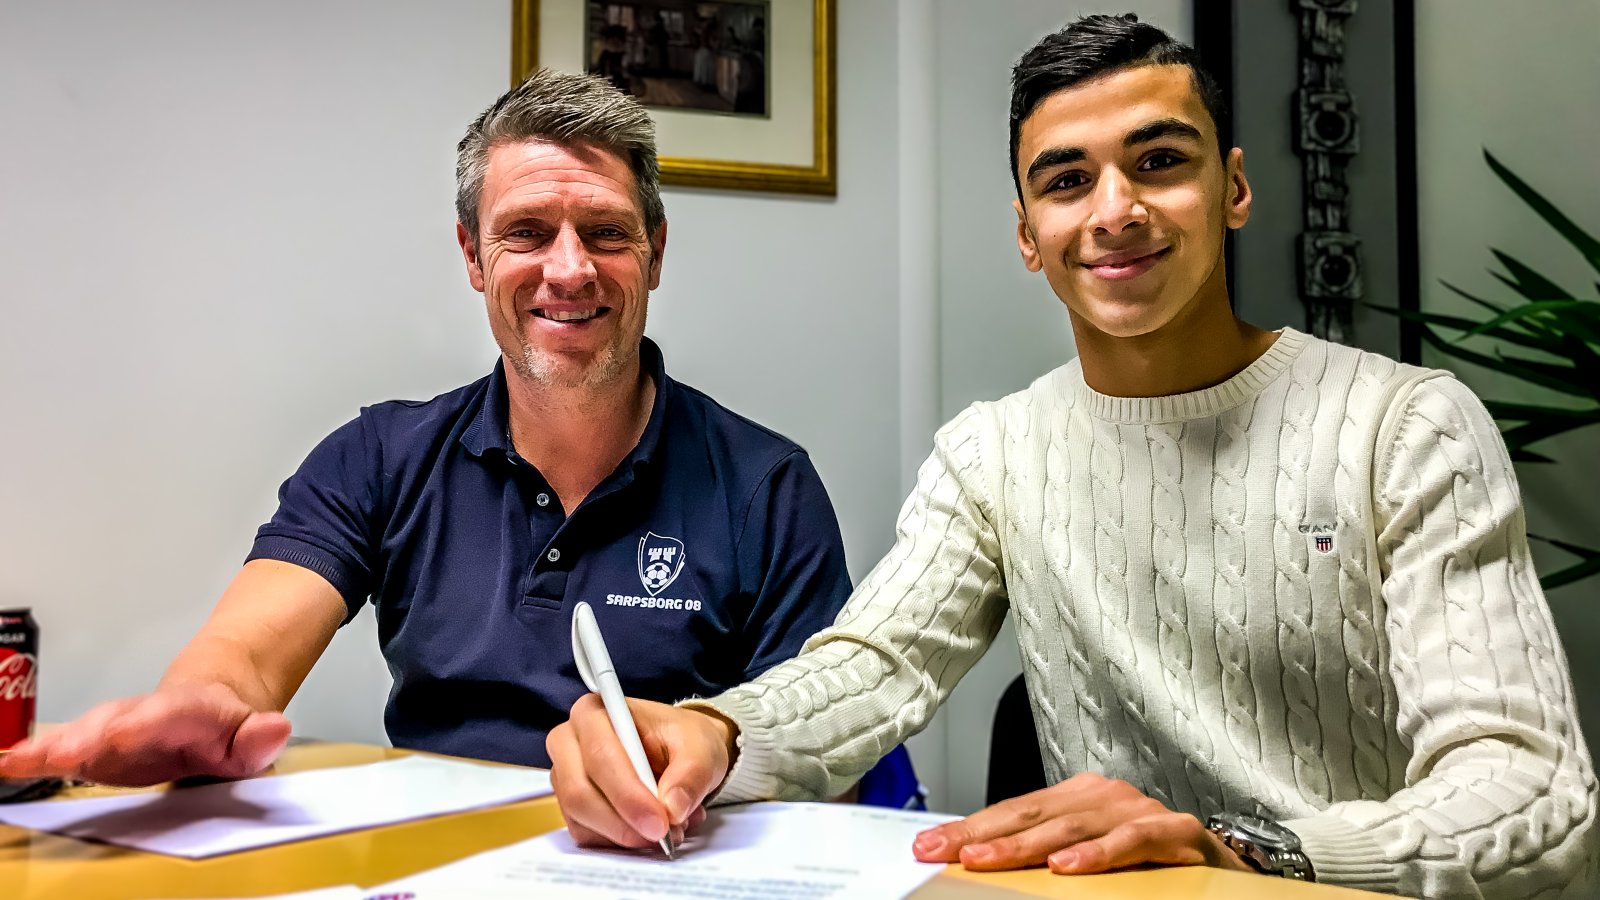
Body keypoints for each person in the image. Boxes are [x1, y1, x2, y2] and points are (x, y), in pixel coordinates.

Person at [547, 15, 1597, 897]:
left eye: (1160, 162)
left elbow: (1534, 795)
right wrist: (716, 732)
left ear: (1233, 187)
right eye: (1066, 180)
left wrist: (1242, 851)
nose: (1115, 211)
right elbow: (876, 665)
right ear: (1027, 233)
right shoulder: (995, 452)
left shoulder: (1406, 427)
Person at [0, 68, 916, 805]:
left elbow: (818, 754)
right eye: (527, 232)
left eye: (606, 232)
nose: (569, 269)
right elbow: (244, 653)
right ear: (474, 256)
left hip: (670, 861)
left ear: (656, 253)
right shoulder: (381, 457)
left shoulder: (766, 486)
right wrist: (198, 706)